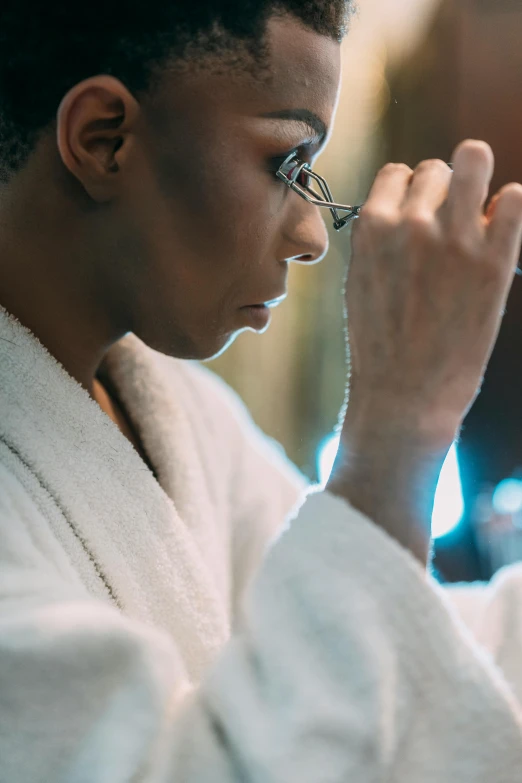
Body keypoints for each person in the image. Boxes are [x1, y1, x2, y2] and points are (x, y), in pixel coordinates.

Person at [1, 1, 522, 780]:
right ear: (103, 137)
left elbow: (409, 645)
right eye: (287, 163)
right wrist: (397, 430)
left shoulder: (183, 414)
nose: (313, 235)